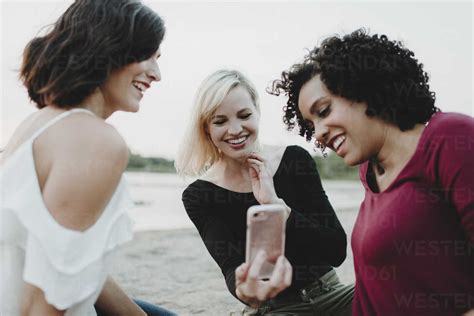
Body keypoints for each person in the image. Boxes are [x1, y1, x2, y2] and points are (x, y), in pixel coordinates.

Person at [270, 28, 474, 315]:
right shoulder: (369, 172)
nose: (318, 133)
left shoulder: (450, 139)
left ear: (362, 87)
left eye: (324, 111)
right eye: (311, 123)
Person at [0, 0, 175, 315]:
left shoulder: (38, 123)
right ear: (109, 46)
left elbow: (67, 265)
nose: (157, 74)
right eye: (148, 56)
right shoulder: (96, 142)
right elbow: (42, 306)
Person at [176, 69, 354, 315]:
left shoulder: (294, 160)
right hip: (277, 309)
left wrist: (278, 207)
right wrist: (247, 290)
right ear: (206, 129)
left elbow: (336, 250)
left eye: (244, 115)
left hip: (333, 295)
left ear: (257, 112)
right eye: (220, 121)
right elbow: (231, 269)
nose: (235, 129)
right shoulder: (200, 195)